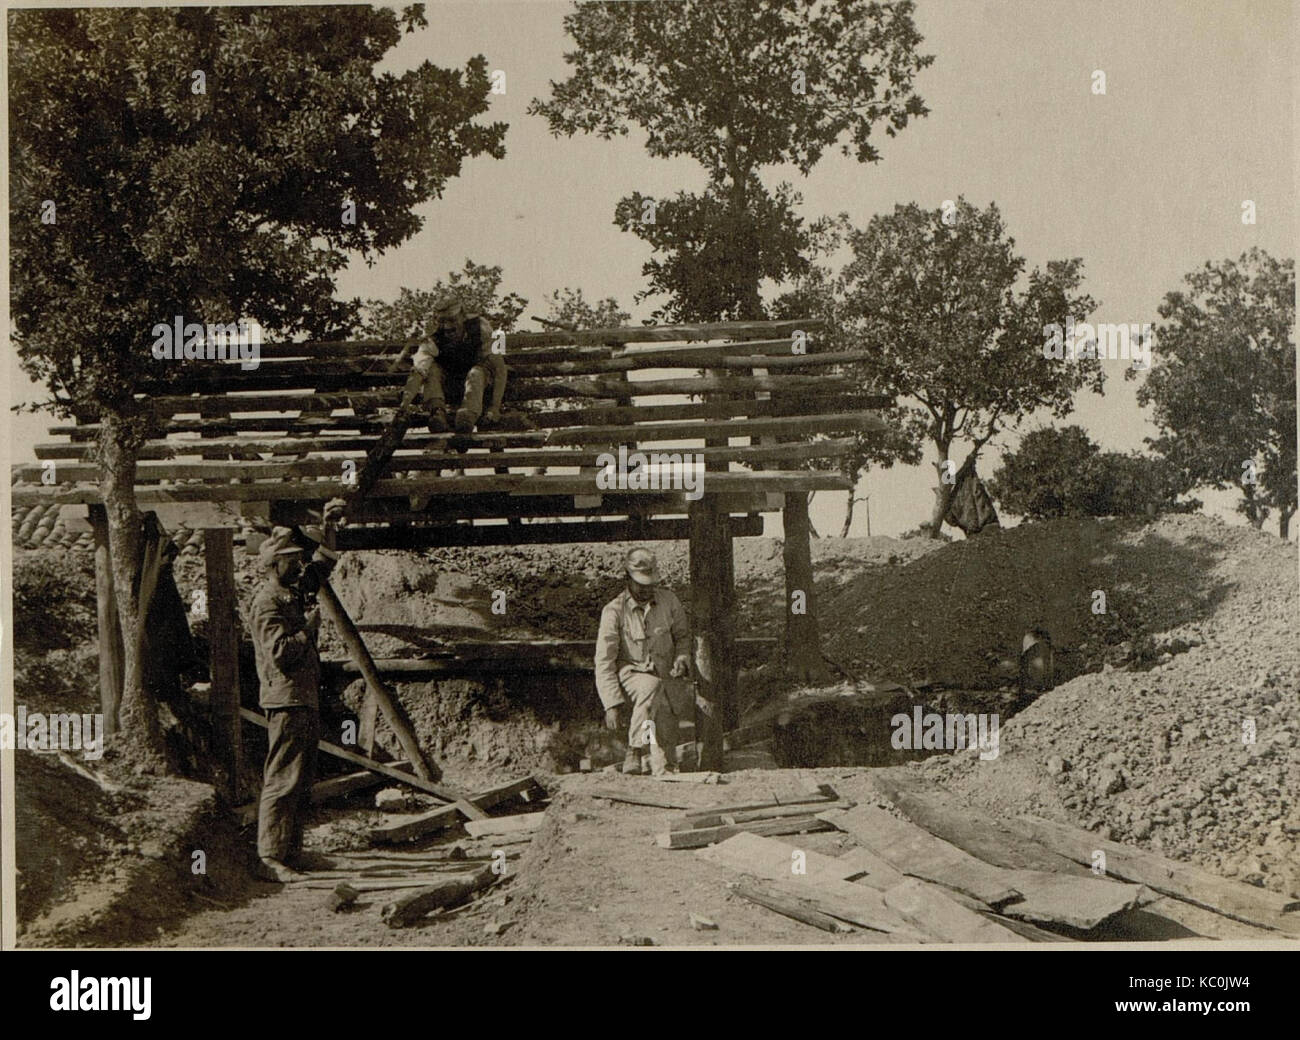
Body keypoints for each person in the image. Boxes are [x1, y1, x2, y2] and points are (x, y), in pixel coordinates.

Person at [250, 526, 335, 882]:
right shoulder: (267, 602)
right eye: (293, 561)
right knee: (283, 778)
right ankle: (269, 857)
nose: (300, 565)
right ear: (275, 564)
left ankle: (292, 852)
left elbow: (322, 566)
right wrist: (309, 630)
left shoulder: (288, 595)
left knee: (300, 779)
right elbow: (280, 653)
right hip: (285, 700)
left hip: (301, 698)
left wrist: (331, 527)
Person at [594, 548, 692, 776]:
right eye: (641, 584)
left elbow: (683, 637)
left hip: (666, 681)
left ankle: (662, 776)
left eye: (651, 583)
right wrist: (611, 703)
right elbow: (604, 661)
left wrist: (682, 657)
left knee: (667, 757)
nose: (647, 589)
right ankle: (634, 750)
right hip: (631, 675)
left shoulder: (669, 601)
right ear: (628, 578)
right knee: (650, 685)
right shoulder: (614, 611)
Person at [400, 296, 508, 436]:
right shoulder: (432, 337)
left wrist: (495, 406)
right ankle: (437, 414)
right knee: (432, 370)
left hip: (478, 385)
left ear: (463, 316)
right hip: (449, 385)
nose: (447, 327)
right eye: (442, 321)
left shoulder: (481, 328)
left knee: (476, 372)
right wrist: (404, 404)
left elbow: (499, 368)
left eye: (452, 320)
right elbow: (418, 372)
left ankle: (466, 418)